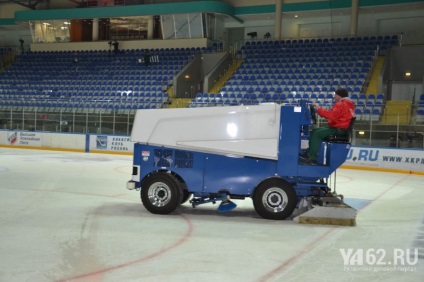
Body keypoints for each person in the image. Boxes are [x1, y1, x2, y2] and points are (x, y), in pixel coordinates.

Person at [301, 88, 355, 165]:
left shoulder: (341, 104)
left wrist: (318, 109)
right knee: (314, 131)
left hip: (339, 129)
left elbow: (330, 115)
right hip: (340, 127)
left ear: (339, 95)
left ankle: (312, 158)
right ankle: (309, 153)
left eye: (335, 95)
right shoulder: (350, 104)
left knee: (317, 134)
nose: (334, 97)